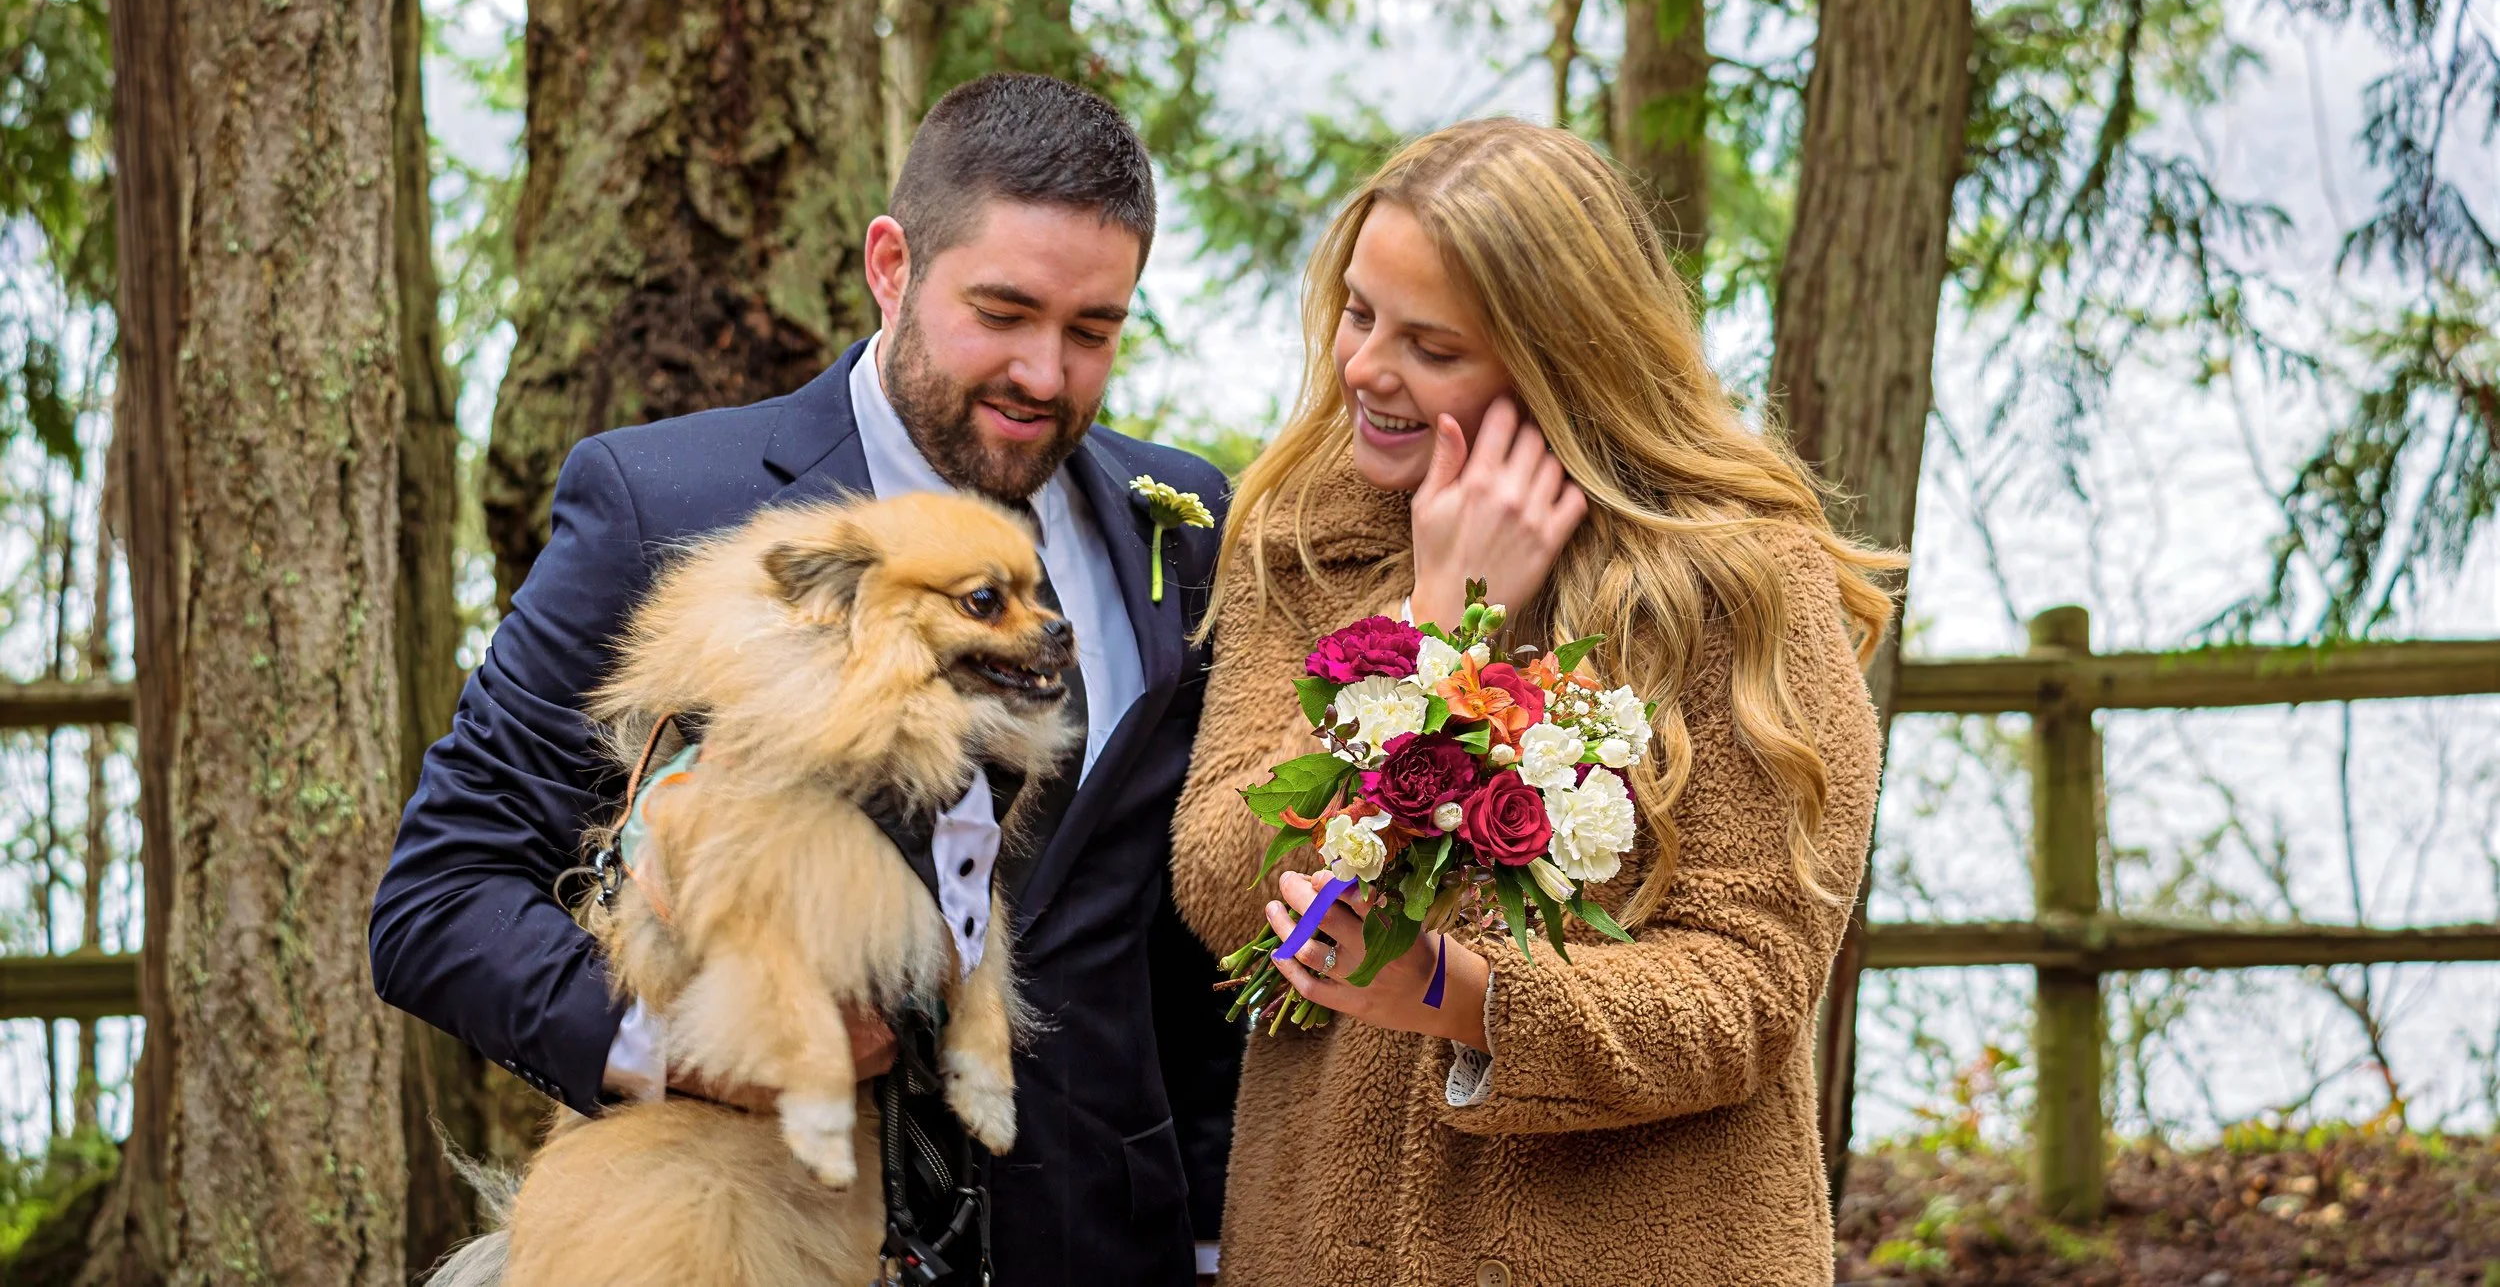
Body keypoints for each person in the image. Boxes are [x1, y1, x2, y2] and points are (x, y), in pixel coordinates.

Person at [371, 73, 1239, 1286]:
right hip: (749, 1235)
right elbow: (439, 894)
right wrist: (700, 1048)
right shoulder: (661, 505)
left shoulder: (1185, 526)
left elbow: (1187, 948)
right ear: (892, 263)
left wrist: (1212, 1243)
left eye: (1093, 329)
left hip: (1100, 1242)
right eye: (1002, 311)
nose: (1046, 372)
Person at [1170, 118, 1899, 1286]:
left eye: (1431, 344)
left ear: (1557, 356)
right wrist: (1427, 622)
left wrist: (1467, 1000)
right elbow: (1220, 878)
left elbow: (1750, 985)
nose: (1363, 367)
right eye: (1359, 313)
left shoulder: (1739, 581)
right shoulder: (1304, 544)